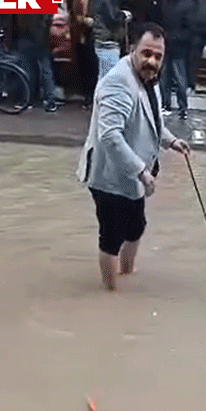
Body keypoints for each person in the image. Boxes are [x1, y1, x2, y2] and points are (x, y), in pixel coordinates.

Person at [76, 22, 191, 291]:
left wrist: (171, 141)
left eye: (158, 56)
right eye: (146, 53)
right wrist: (141, 171)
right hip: (109, 177)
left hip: (134, 177)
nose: (151, 61)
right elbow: (110, 137)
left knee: (136, 228)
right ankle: (111, 293)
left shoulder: (148, 78)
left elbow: (151, 118)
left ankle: (127, 274)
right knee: (111, 239)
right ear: (132, 50)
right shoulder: (118, 82)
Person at [88, 0, 131, 82]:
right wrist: (124, 15)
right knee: (110, 77)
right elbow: (113, 18)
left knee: (103, 75)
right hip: (108, 41)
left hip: (101, 40)